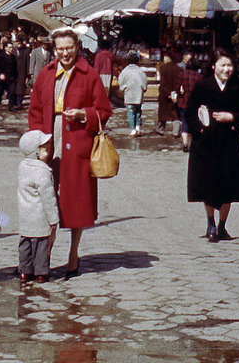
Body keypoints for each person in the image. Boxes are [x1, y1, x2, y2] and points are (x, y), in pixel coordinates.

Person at [28, 27, 112, 277]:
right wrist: (37, 141)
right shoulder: (46, 74)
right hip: (50, 140)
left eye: (69, 48)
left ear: (77, 47)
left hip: (78, 143)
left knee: (77, 202)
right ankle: (44, 257)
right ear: (54, 49)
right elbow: (34, 110)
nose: (65, 53)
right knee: (47, 199)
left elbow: (104, 111)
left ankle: (73, 254)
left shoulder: (90, 75)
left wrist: (84, 114)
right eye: (60, 49)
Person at [185, 48, 239, 241]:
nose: (227, 69)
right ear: (214, 66)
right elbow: (189, 113)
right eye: (223, 65)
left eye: (230, 65)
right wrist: (201, 130)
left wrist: (232, 117)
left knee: (228, 185)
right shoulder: (202, 86)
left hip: (229, 141)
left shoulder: (238, 86)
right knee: (207, 183)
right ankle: (210, 223)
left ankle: (222, 225)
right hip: (206, 143)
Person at [18, 130, 59, 285]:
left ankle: (24, 271)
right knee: (41, 245)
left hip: (25, 214)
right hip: (40, 216)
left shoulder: (23, 166)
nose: (48, 153)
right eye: (45, 150)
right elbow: (48, 198)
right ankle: (41, 272)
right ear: (35, 152)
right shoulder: (42, 172)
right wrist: (54, 219)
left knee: (26, 244)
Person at [117, 52, 148, 136]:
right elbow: (144, 83)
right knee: (138, 112)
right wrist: (143, 89)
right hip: (138, 94)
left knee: (131, 113)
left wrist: (122, 89)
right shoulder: (140, 71)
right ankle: (138, 127)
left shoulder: (125, 71)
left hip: (129, 95)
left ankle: (133, 129)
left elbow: (120, 82)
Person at [177, 59, 201, 152]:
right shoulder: (199, 75)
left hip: (184, 102)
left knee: (184, 122)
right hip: (195, 102)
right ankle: (194, 143)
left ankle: (185, 144)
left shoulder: (182, 74)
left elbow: (177, 87)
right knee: (195, 122)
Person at [157, 51, 181, 136]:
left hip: (164, 94)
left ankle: (161, 129)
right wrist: (175, 93)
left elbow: (163, 82)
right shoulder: (179, 69)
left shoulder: (162, 68)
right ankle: (176, 131)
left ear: (167, 58)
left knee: (162, 113)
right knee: (175, 113)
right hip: (175, 94)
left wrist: (168, 92)